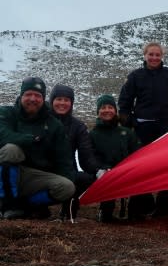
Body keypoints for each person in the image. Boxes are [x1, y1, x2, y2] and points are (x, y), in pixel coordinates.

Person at [118, 42, 168, 217]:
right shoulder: (135, 76)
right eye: (151, 54)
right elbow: (124, 102)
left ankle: (163, 205)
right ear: (145, 55)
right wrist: (132, 122)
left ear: (162, 56)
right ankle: (142, 204)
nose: (154, 58)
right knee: (142, 167)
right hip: (144, 128)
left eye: (157, 54)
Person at [0, 77, 75, 219]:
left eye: (38, 95)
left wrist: (69, 193)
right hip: (4, 170)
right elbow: (2, 134)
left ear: (43, 98)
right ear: (21, 96)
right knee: (12, 150)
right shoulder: (6, 113)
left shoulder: (54, 125)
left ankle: (28, 205)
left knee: (67, 187)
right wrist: (30, 139)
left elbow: (63, 158)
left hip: (33, 176)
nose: (33, 99)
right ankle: (8, 204)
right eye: (28, 94)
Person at [49, 84, 100, 220]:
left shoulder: (78, 126)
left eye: (66, 100)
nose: (62, 103)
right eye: (59, 99)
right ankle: (36, 207)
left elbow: (86, 155)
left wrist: (97, 170)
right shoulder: (42, 121)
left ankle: (69, 209)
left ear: (71, 103)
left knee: (86, 179)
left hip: (66, 171)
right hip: (41, 169)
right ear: (52, 101)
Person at [90, 95, 142, 222]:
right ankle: (105, 213)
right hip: (105, 171)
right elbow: (91, 156)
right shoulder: (93, 134)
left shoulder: (127, 133)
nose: (107, 110)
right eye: (103, 108)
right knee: (107, 178)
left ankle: (134, 212)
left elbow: (136, 153)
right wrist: (101, 168)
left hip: (126, 170)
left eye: (110, 107)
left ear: (115, 111)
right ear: (98, 112)